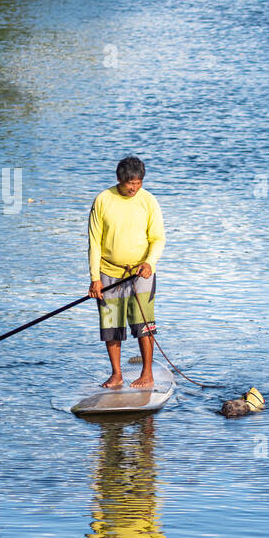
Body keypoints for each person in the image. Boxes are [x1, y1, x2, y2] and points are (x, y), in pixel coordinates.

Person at [87, 156, 165, 389]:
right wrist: (94, 279)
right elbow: (94, 242)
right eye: (130, 183)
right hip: (108, 273)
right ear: (119, 179)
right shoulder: (103, 199)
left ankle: (147, 373)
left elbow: (158, 238)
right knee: (111, 325)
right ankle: (117, 374)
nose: (134, 188)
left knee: (144, 324)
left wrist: (150, 263)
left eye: (138, 182)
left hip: (141, 274)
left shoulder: (148, 201)